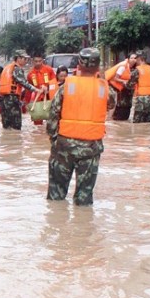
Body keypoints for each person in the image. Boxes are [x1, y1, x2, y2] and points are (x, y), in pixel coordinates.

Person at [46, 47, 110, 206]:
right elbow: (111, 104)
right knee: (84, 197)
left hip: (64, 146)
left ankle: (57, 225)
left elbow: (53, 115)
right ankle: (83, 228)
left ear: (79, 66)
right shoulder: (105, 88)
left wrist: (54, 139)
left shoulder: (66, 86)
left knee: (56, 194)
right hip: (91, 147)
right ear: (98, 66)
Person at [0, 49, 45, 130]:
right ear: (19, 58)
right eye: (24, 59)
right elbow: (24, 83)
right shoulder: (17, 69)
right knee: (16, 125)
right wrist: (37, 90)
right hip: (13, 99)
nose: (26, 61)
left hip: (5, 99)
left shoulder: (7, 68)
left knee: (7, 125)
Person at [26, 53, 57, 125]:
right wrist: (27, 103)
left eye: (40, 61)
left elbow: (54, 83)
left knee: (52, 121)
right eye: (36, 61)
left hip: (49, 97)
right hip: (38, 99)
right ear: (32, 61)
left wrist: (47, 88)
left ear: (42, 61)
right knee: (37, 123)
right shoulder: (30, 74)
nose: (38, 63)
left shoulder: (49, 70)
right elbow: (28, 90)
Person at [106, 53, 137, 121]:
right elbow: (115, 78)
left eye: (135, 58)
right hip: (111, 86)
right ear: (128, 59)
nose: (133, 60)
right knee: (112, 104)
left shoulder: (132, 68)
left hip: (117, 88)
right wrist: (123, 81)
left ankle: (110, 119)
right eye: (132, 58)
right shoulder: (123, 66)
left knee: (113, 105)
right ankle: (109, 120)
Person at [131, 51, 150, 123]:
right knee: (148, 121)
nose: (135, 61)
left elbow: (129, 85)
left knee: (137, 121)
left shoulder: (137, 70)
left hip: (140, 98)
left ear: (139, 59)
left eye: (136, 59)